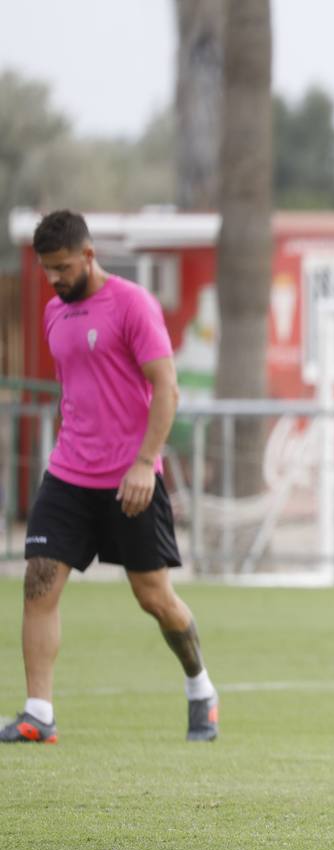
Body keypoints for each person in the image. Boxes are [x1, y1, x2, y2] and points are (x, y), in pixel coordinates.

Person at [1, 209, 218, 744]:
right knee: (39, 583)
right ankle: (39, 714)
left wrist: (145, 462)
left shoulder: (132, 305)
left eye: (63, 266)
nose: (54, 278)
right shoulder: (55, 313)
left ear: (89, 255)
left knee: (154, 598)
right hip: (69, 473)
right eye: (47, 268)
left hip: (131, 479)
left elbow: (166, 389)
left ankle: (201, 689)